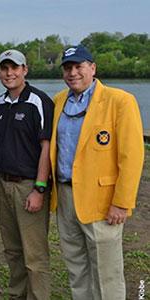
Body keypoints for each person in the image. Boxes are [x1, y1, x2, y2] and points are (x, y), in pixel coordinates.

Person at [50, 45, 144, 300]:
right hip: (66, 196)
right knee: (76, 266)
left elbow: (132, 156)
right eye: (68, 68)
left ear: (92, 68)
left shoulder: (120, 101)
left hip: (102, 201)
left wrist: (122, 203)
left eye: (79, 66)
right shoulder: (59, 100)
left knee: (106, 272)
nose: (73, 73)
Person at [0, 49, 53, 299]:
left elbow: (47, 147)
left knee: (34, 254)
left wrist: (39, 188)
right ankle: (17, 295)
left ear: (24, 70)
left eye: (15, 68)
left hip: (29, 186)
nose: (10, 73)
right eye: (5, 68)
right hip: (3, 184)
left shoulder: (38, 101)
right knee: (13, 250)